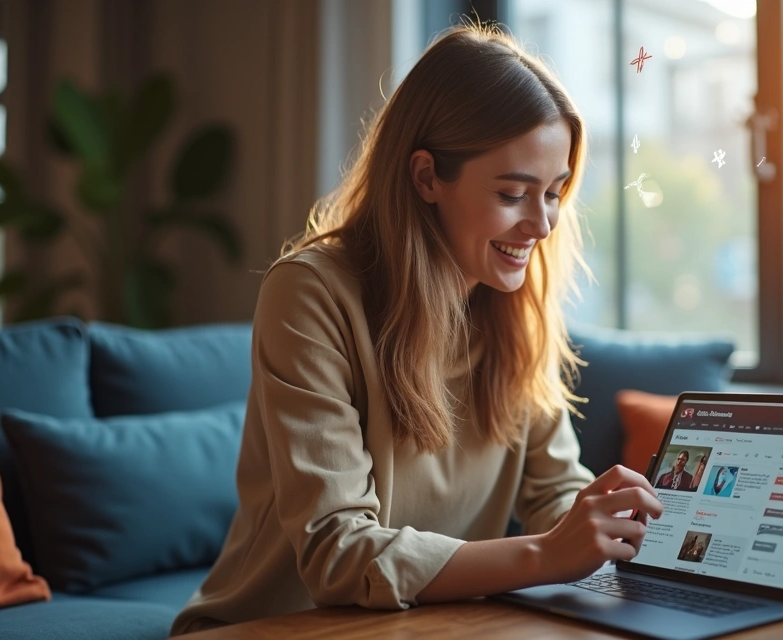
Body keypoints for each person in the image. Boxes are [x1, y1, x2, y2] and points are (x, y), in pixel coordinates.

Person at [170, 23, 665, 636]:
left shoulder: (513, 306)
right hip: (277, 626)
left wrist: (618, 532)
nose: (542, 225)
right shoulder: (310, 293)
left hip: (435, 624)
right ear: (427, 177)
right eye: (513, 193)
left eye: (554, 193)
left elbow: (556, 492)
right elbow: (337, 552)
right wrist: (544, 555)